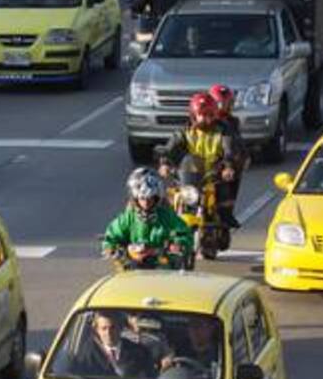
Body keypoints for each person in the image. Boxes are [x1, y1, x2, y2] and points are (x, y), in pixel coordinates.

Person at [158, 92, 240, 228]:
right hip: (189, 176)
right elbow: (170, 147)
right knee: (168, 197)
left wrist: (228, 167)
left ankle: (225, 220)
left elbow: (229, 151)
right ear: (194, 115)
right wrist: (165, 163)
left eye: (210, 115)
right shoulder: (184, 131)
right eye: (202, 115)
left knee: (225, 193)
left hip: (213, 176)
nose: (206, 119)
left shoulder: (223, 131)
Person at [102, 167, 193, 266]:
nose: (146, 202)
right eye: (142, 198)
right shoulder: (127, 218)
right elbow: (109, 239)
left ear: (156, 197)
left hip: (164, 272)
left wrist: (175, 246)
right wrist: (118, 250)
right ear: (135, 198)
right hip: (131, 271)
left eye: (150, 198)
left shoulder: (167, 216)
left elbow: (186, 236)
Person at [209, 83, 248, 228]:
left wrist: (242, 156)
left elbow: (234, 143)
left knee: (230, 181)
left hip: (224, 162)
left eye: (228, 103)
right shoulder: (202, 121)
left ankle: (226, 213)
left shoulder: (232, 122)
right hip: (203, 161)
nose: (224, 106)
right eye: (221, 103)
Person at [72, 313, 155, 379]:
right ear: (97, 331)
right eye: (104, 328)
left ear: (120, 328)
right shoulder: (86, 353)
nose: (108, 333)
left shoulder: (139, 352)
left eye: (113, 328)